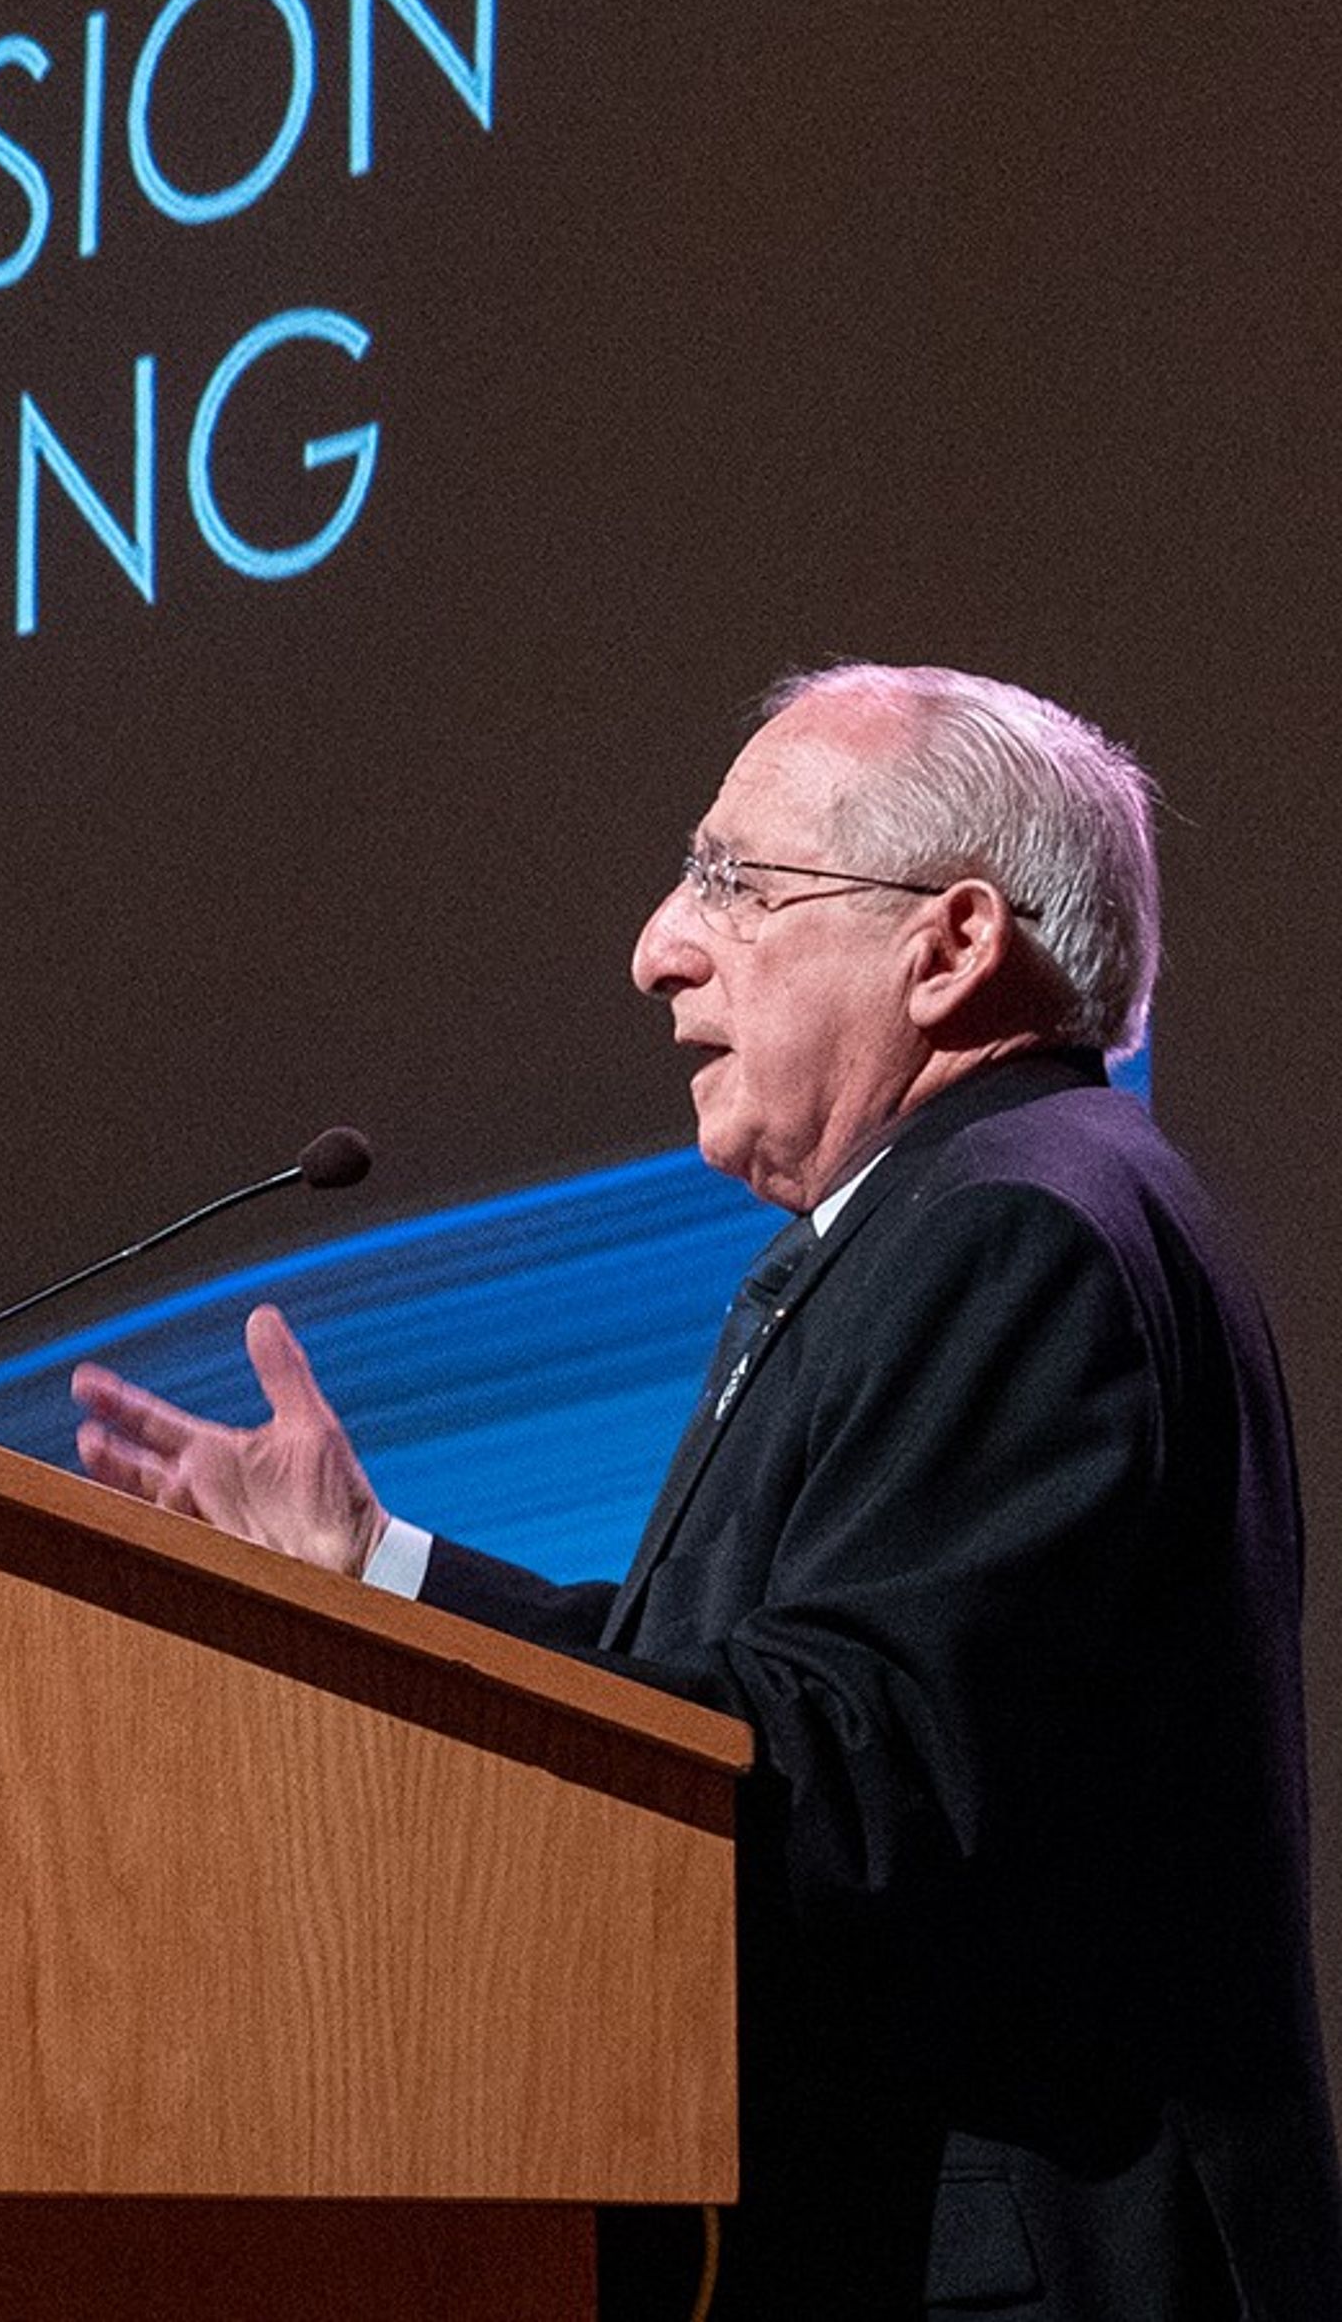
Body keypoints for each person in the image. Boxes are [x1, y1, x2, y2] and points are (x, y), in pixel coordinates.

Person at [72, 665, 1342, 2319]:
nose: (659, 943)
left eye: (736, 883)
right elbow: (781, 1700)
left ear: (950, 946)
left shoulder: (1013, 1228)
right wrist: (375, 1565)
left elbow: (857, 1774)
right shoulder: (966, 1218)